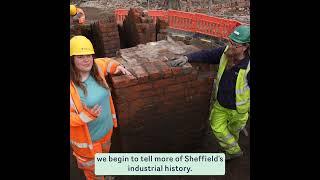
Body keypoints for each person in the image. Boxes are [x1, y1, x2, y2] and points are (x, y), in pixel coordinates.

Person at [169, 25, 250, 160]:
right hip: (221, 104)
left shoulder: (248, 67)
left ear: (245, 47)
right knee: (217, 127)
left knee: (231, 132)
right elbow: (207, 55)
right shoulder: (226, 53)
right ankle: (234, 151)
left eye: (234, 44)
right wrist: (187, 58)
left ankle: (228, 150)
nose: (230, 46)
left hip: (239, 110)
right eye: (230, 42)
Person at [70, 35, 131, 180]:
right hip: (88, 143)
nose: (86, 60)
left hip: (106, 131)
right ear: (72, 59)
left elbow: (107, 62)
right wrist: (84, 117)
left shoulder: (95, 68)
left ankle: (106, 172)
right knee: (93, 172)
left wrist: (118, 67)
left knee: (104, 159)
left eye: (89, 55)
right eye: (80, 57)